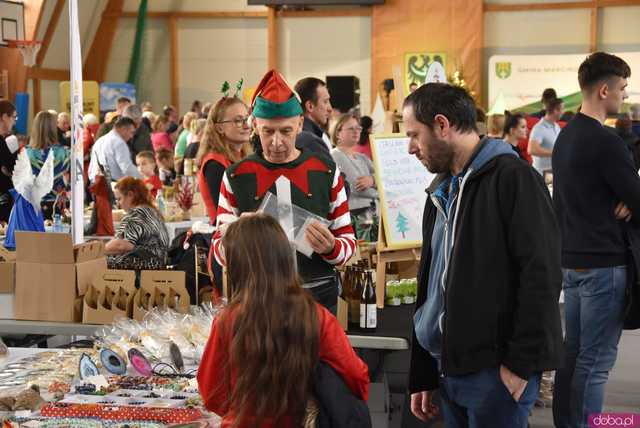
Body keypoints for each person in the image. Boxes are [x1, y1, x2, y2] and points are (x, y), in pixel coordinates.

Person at [404, 83, 563, 428]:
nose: (410, 148)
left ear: (442, 125)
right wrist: (423, 373)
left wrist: (520, 365)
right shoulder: (442, 190)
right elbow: (431, 286)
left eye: (415, 135)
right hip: (447, 370)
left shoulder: (514, 180)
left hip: (494, 376)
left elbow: (542, 275)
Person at [198, 214, 369, 427]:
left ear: (237, 266)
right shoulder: (317, 316)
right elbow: (357, 377)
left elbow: (212, 393)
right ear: (285, 257)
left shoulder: (228, 320)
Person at [213, 70, 356, 312]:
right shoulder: (237, 176)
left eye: (286, 131)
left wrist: (331, 247)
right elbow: (218, 249)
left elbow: (348, 241)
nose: (277, 142)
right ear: (255, 126)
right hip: (256, 301)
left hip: (317, 299)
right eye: (268, 131)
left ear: (300, 124)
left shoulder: (325, 171)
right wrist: (237, 235)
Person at [552, 52, 639, 428]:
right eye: (621, 88)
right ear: (604, 90)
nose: (624, 95)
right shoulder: (606, 142)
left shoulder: (565, 137)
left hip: (573, 262)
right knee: (597, 363)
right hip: (605, 264)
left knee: (573, 356)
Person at [196, 97, 252, 227]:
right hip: (228, 237)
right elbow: (226, 214)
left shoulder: (243, 156)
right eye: (238, 121)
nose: (246, 125)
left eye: (247, 118)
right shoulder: (214, 164)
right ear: (220, 128)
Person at [330, 113, 378, 242]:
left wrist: (372, 180)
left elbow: (383, 179)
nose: (356, 131)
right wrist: (376, 186)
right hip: (354, 219)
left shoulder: (362, 157)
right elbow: (357, 187)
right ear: (338, 132)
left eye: (358, 128)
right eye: (351, 128)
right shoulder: (335, 156)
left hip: (370, 216)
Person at [106, 177, 170, 270]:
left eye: (119, 199)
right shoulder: (151, 211)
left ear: (130, 195)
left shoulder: (137, 214)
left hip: (145, 266)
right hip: (158, 264)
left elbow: (121, 245)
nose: (118, 204)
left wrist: (99, 251)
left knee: (96, 262)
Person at [26, 111, 70, 219]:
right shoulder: (65, 152)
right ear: (53, 128)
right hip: (59, 205)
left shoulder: (25, 153)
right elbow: (70, 181)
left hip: (32, 206)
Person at [88, 116, 140, 182]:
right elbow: (127, 168)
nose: (131, 136)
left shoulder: (100, 140)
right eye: (131, 132)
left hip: (96, 182)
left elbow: (92, 166)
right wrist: (142, 179)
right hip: (112, 184)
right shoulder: (119, 143)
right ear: (124, 129)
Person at [295, 77, 333, 152]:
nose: (330, 108)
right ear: (310, 106)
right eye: (325, 102)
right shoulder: (311, 142)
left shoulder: (296, 132)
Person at [529, 97, 563, 175]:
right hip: (542, 174)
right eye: (562, 109)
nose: (563, 112)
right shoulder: (539, 128)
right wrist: (555, 152)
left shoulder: (556, 126)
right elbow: (532, 149)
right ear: (555, 111)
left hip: (553, 172)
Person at [0, 100, 18, 222]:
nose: (14, 122)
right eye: (14, 117)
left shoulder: (5, 141)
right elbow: (11, 170)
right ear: (5, 117)